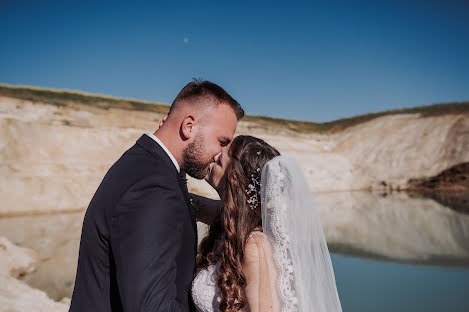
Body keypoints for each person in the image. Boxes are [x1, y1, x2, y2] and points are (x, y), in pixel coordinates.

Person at [69, 79, 244, 312]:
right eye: (221, 141)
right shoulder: (154, 187)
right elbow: (152, 306)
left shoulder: (146, 166)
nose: (221, 155)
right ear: (189, 126)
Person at [191, 135, 343, 312]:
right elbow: (189, 203)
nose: (216, 154)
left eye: (223, 156)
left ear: (236, 179)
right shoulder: (230, 221)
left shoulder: (255, 247)